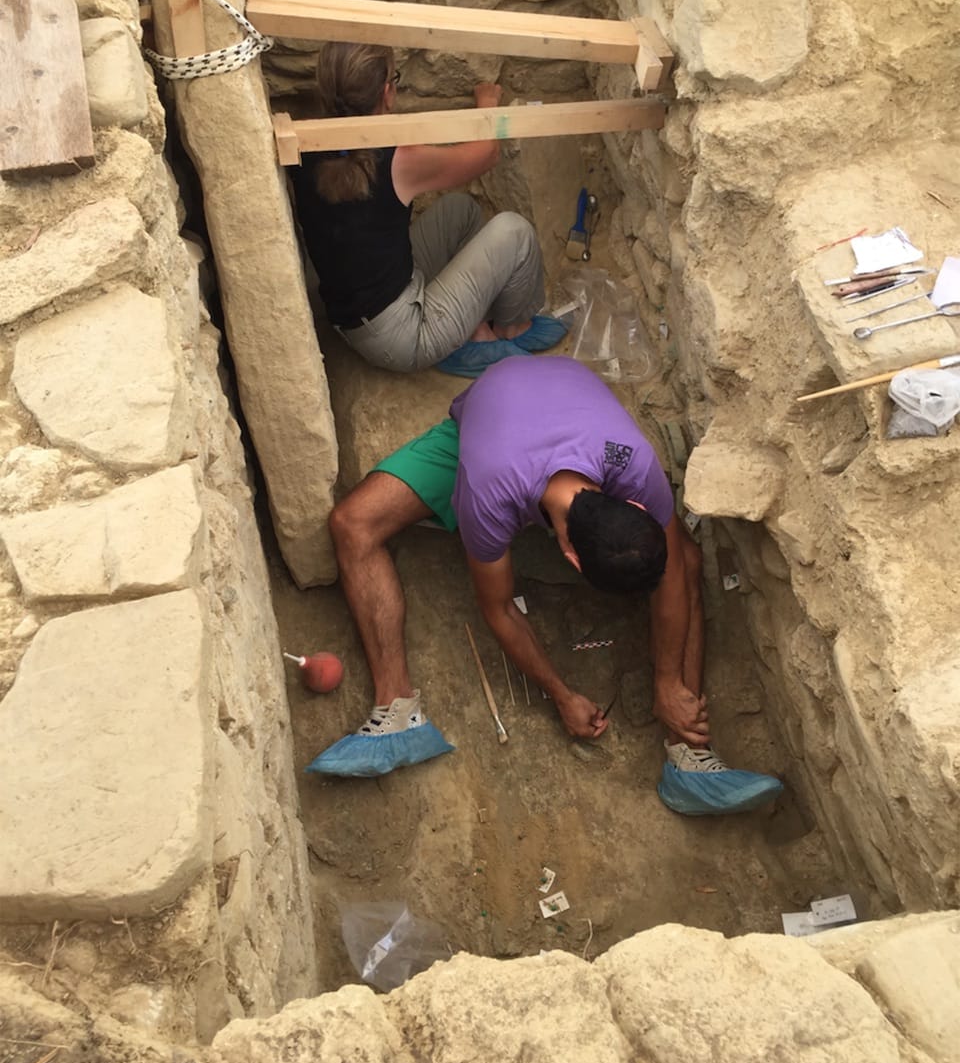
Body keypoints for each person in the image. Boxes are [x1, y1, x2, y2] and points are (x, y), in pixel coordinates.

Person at [308, 355, 783, 817]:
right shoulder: (488, 494)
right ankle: (397, 714)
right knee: (353, 524)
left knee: (686, 557)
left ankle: (690, 759)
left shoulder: (634, 465)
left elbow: (673, 569)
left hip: (557, 399)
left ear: (635, 505)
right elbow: (499, 608)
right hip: (488, 428)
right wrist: (561, 694)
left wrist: (667, 683)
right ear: (570, 556)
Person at [290, 42, 568, 378]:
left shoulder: (303, 139)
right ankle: (512, 327)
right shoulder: (397, 159)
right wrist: (487, 102)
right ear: (387, 93)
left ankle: (473, 329)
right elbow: (486, 155)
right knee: (515, 231)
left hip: (356, 312)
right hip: (399, 338)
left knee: (460, 211)